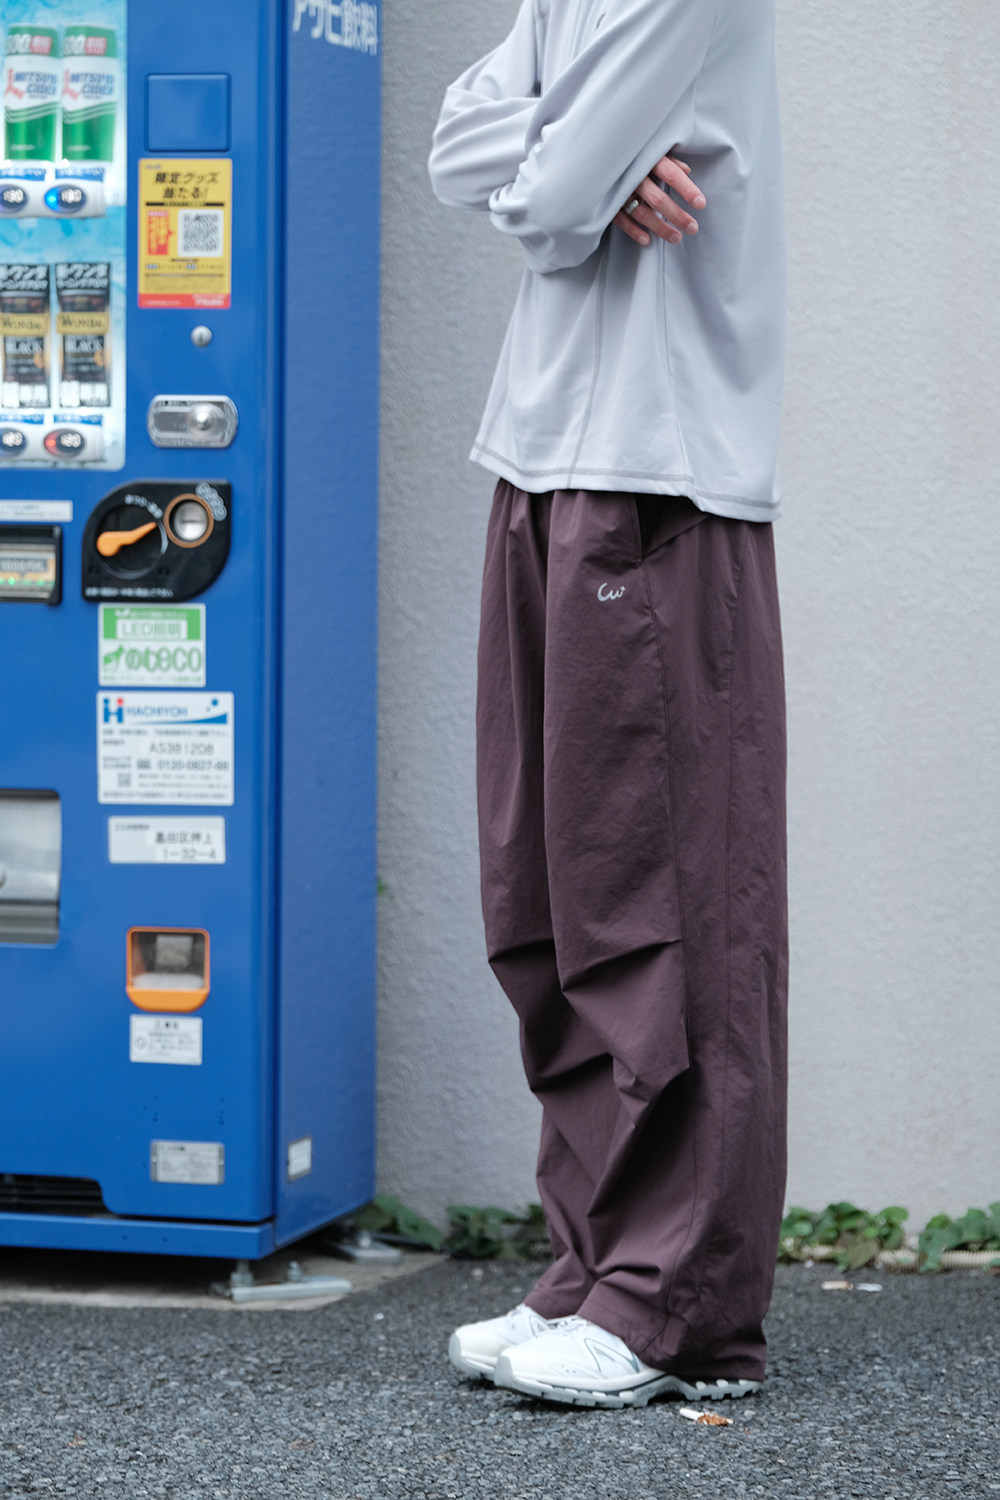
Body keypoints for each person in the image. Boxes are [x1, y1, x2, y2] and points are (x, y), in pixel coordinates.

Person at [427, 0, 788, 1410]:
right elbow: (459, 151)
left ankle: (675, 1304)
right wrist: (586, 153)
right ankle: (594, 1261)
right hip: (538, 456)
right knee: (548, 896)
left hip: (659, 469)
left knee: (667, 900)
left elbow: (545, 194)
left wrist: (578, 164)